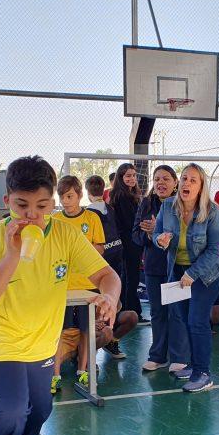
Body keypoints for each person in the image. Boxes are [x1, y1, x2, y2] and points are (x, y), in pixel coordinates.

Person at [0, 155, 120, 435]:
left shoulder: (66, 234)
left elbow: (106, 275)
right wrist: (11, 255)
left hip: (40, 339)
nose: (32, 214)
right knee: (11, 410)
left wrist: (110, 295)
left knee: (40, 408)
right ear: (7, 202)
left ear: (53, 202)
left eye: (41, 205)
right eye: (22, 205)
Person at [154, 163, 219, 393]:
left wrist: (192, 274)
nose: (186, 183)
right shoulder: (167, 206)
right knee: (185, 319)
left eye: (193, 180)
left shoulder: (212, 211)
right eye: (184, 178)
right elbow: (156, 233)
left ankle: (203, 373)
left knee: (197, 320)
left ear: (201, 186)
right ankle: (194, 366)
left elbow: (216, 250)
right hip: (179, 270)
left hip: (207, 274)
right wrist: (160, 240)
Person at [51, 175, 106, 392]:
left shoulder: (92, 218)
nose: (65, 201)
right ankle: (54, 375)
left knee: (86, 330)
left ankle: (83, 370)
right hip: (61, 286)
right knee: (58, 331)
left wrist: (80, 252)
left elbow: (101, 249)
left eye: (70, 196)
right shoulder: (55, 221)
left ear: (80, 195)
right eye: (62, 197)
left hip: (87, 285)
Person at [134, 165, 189, 373]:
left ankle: (179, 356)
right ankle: (157, 355)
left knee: (177, 312)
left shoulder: (183, 204)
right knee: (157, 312)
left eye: (166, 178)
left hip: (176, 267)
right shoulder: (146, 203)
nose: (160, 183)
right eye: (157, 179)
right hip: (154, 267)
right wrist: (150, 235)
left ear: (175, 183)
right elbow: (135, 235)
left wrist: (163, 231)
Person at [86, 175, 133, 336]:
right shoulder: (110, 208)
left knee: (103, 293)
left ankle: (102, 330)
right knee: (114, 290)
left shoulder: (89, 213)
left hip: (103, 257)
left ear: (87, 192)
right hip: (117, 252)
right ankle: (107, 331)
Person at [110, 163, 144, 318]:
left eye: (134, 175)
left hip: (130, 241)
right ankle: (132, 310)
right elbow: (131, 221)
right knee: (131, 276)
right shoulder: (122, 196)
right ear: (121, 178)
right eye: (128, 176)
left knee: (128, 276)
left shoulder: (130, 194)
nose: (132, 178)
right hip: (128, 242)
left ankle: (127, 307)